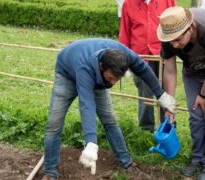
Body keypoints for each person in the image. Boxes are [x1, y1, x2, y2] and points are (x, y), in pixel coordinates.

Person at [42, 38, 176, 180]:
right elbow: (86, 104)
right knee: (54, 124)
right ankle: (50, 171)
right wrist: (91, 142)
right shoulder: (85, 68)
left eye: (116, 79)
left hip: (97, 77)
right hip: (67, 73)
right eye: (111, 78)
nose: (112, 83)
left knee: (110, 121)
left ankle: (126, 162)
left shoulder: (124, 55)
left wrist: (160, 95)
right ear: (101, 66)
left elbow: (143, 69)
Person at [158, 6, 205, 179]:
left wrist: (203, 94)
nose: (174, 45)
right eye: (171, 42)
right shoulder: (168, 34)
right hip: (193, 69)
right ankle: (198, 157)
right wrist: (169, 104)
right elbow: (169, 71)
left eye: (178, 40)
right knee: (196, 115)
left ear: (190, 28)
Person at [119, 0, 176, 132]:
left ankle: (168, 127)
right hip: (140, 56)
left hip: (164, 54)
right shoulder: (129, 3)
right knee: (145, 92)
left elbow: (176, 27)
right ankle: (146, 129)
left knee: (167, 91)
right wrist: (125, 60)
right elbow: (124, 33)